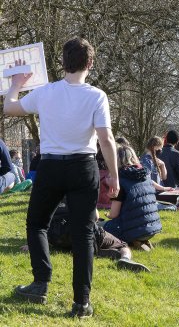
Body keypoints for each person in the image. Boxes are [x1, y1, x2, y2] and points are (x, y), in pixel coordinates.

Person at [4, 37, 119, 318]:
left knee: (37, 224)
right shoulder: (97, 95)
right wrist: (114, 175)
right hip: (84, 167)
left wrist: (17, 83)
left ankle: (40, 283)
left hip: (51, 168)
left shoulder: (45, 92)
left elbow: (9, 107)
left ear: (63, 63)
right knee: (82, 234)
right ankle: (81, 303)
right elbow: (106, 138)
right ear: (89, 63)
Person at [22, 199, 150, 273]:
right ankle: (125, 258)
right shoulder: (80, 187)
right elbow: (95, 217)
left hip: (56, 238)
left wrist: (33, 244)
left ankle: (95, 251)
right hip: (81, 233)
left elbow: (39, 221)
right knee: (123, 244)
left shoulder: (48, 190)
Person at [103, 145, 163, 251]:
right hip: (153, 228)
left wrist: (108, 215)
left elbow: (114, 214)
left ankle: (133, 240)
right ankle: (141, 241)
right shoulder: (146, 176)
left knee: (99, 227)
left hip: (134, 229)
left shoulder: (120, 181)